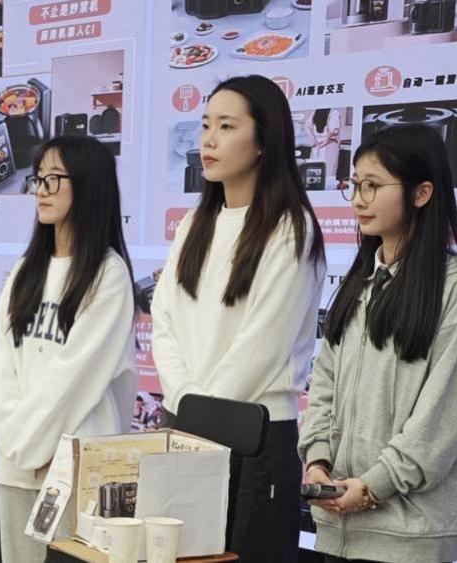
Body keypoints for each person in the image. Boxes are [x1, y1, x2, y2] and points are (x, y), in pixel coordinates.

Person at [150, 75, 326, 562]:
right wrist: (184, 404)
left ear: (265, 140)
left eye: (226, 127)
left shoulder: (291, 229)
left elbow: (261, 347)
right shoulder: (194, 224)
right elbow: (164, 321)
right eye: (206, 125)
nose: (208, 140)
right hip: (185, 432)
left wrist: (195, 414)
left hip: (255, 438)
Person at [299, 124, 457, 563]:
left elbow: (443, 421)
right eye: (354, 185)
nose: (358, 199)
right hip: (339, 527)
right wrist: (318, 461)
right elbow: (323, 383)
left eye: (373, 185)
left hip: (409, 538)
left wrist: (373, 486)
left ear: (422, 193)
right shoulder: (361, 282)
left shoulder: (452, 288)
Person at [0, 135, 137, 562]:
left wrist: (37, 446)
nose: (42, 190)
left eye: (54, 179)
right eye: (38, 179)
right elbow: (4, 364)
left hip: (76, 463)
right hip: (18, 462)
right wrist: (19, 445)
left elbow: (76, 375)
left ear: (88, 185)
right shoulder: (25, 270)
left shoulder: (107, 274)